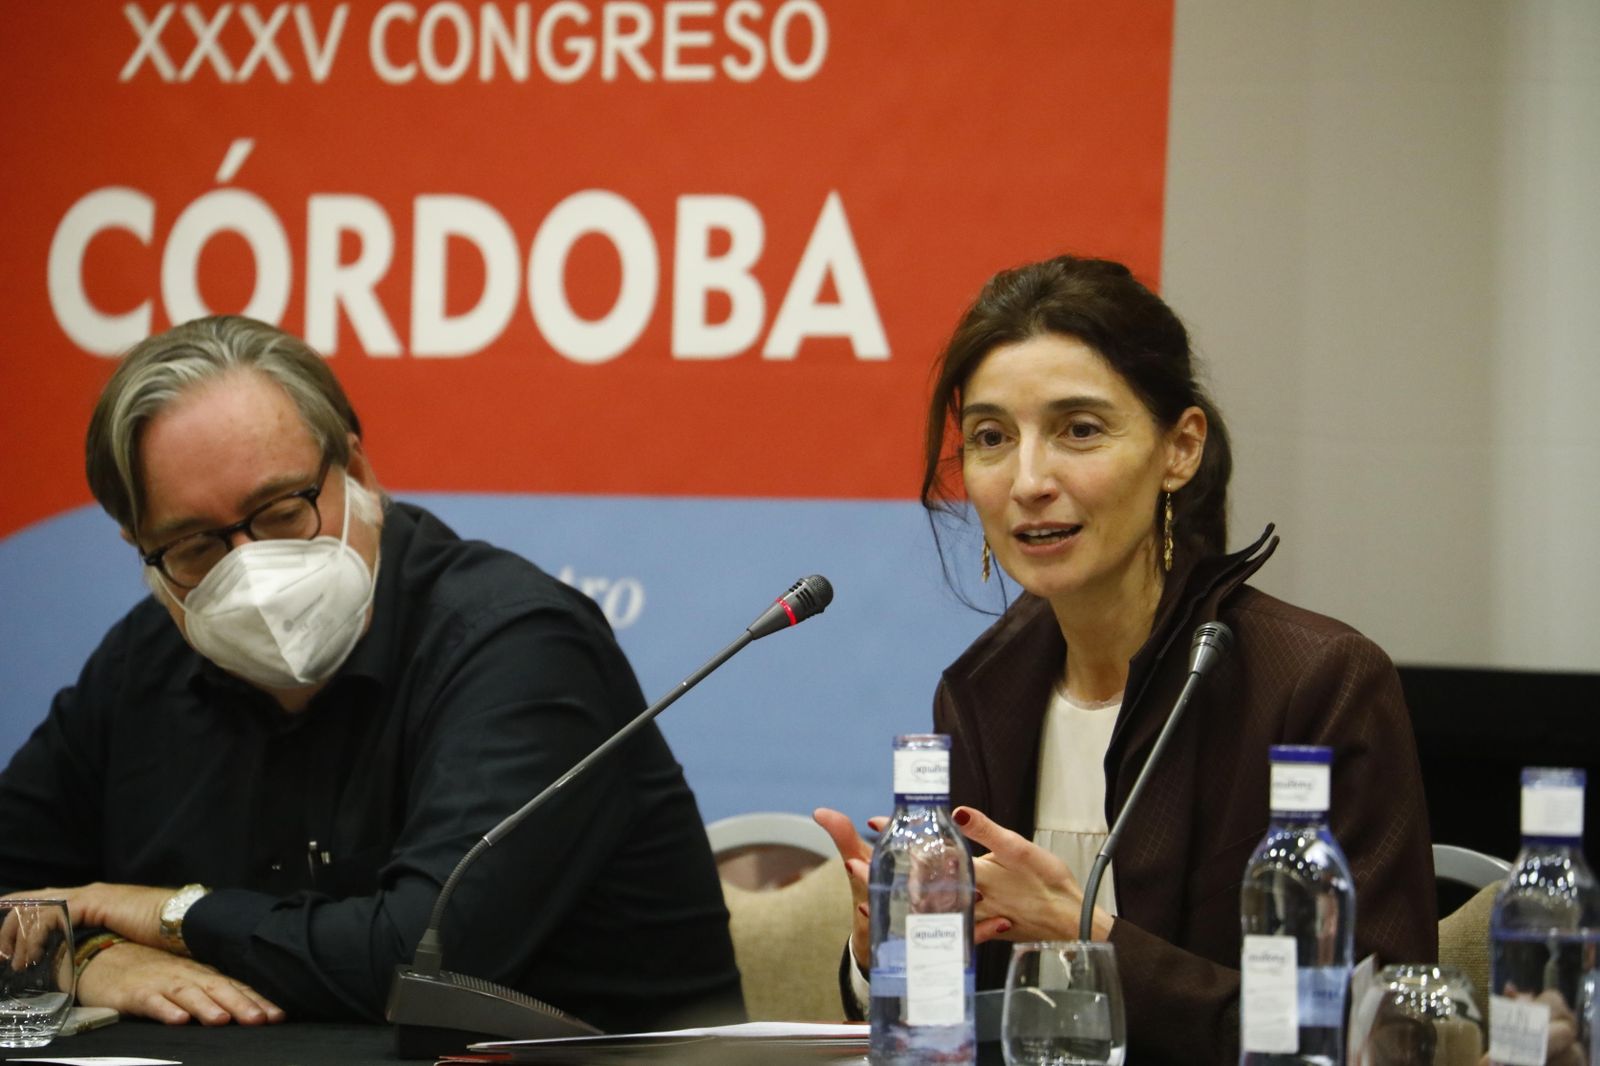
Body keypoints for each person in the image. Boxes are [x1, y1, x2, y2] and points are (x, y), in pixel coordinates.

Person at [0, 315, 742, 1031]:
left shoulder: (517, 642)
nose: (249, 568)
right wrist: (87, 954)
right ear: (144, 553)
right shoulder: (143, 662)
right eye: (195, 546)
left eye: (281, 511)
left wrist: (166, 915)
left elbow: (419, 959)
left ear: (356, 474)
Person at [815, 255, 1435, 1064]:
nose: (1029, 480)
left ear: (1180, 449)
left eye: (1079, 430)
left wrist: (1088, 932)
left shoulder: (1316, 685)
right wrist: (883, 951)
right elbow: (958, 1024)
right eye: (991, 438)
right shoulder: (982, 693)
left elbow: (1376, 1032)